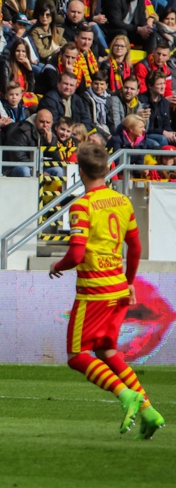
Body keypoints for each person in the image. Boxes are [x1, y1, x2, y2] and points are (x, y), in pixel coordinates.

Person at [49, 143, 164, 439]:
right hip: (117, 288)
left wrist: (57, 265)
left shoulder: (82, 206)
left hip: (94, 292)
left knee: (77, 356)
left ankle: (127, 395)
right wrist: (129, 282)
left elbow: (76, 255)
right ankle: (149, 411)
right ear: (108, 169)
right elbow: (135, 247)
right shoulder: (122, 201)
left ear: (80, 170)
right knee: (107, 352)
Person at [4, 107, 46, 176]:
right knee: (25, 170)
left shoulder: (51, 135)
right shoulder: (22, 131)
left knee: (58, 170)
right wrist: (38, 170)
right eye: (41, 121)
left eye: (48, 122)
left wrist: (50, 142)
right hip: (16, 167)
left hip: (40, 167)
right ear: (35, 120)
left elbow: (57, 159)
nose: (45, 125)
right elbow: (18, 157)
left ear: (52, 123)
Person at [140, 70, 176, 147]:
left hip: (160, 134)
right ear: (150, 86)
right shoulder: (142, 101)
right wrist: (163, 132)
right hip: (144, 134)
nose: (163, 87)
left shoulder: (164, 102)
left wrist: (172, 134)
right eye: (159, 84)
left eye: (164, 83)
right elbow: (146, 127)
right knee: (162, 140)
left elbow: (166, 124)